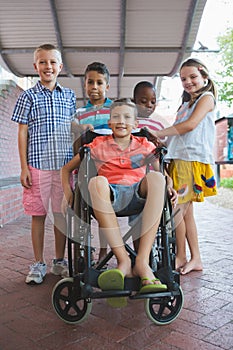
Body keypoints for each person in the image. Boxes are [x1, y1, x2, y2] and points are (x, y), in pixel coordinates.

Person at [61, 98, 177, 307]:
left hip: (137, 197)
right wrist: (68, 193)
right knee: (96, 181)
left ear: (135, 124)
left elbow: (162, 172)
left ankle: (141, 262)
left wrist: (169, 184)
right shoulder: (97, 145)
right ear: (109, 121)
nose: (121, 121)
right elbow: (66, 169)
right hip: (108, 197)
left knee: (157, 179)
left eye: (126, 117)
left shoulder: (145, 145)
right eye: (116, 117)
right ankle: (123, 260)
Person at [11, 44, 76, 284]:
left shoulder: (69, 96)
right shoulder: (28, 96)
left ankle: (60, 261)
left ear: (60, 66)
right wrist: (24, 167)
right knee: (37, 215)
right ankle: (38, 263)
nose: (48, 66)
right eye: (42, 62)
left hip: (63, 168)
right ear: (35, 66)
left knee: (60, 215)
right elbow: (22, 132)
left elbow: (73, 130)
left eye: (52, 62)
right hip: (37, 166)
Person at [149, 58, 218, 275]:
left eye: (193, 77)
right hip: (179, 160)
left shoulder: (206, 98)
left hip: (190, 162)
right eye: (183, 79)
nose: (188, 82)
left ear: (204, 77)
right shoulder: (186, 104)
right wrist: (163, 142)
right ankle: (194, 257)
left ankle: (181, 255)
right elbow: (178, 135)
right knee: (186, 213)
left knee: (178, 210)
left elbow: (189, 126)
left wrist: (160, 132)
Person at [73, 62, 113, 263]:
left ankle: (104, 250)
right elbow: (75, 148)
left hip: (112, 169)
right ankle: (88, 248)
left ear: (107, 86)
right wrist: (79, 130)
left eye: (99, 82)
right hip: (88, 169)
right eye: (90, 82)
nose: (94, 87)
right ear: (85, 85)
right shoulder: (79, 114)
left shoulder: (115, 110)